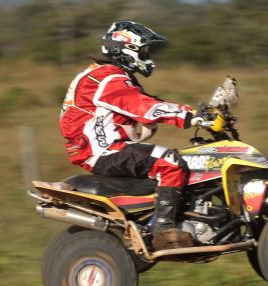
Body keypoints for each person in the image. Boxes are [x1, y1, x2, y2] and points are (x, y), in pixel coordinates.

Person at [59, 21, 203, 251]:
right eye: (143, 51)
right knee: (170, 162)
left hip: (98, 149)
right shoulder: (108, 77)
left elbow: (139, 107)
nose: (148, 57)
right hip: (104, 151)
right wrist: (191, 116)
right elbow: (142, 106)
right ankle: (164, 230)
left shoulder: (104, 75)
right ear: (126, 49)